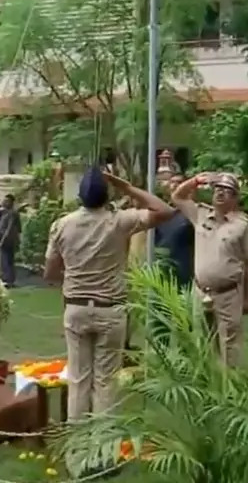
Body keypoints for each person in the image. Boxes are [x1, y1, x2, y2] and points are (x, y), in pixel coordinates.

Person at [45, 168, 171, 422]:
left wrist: (73, 278)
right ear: (107, 195)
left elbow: (50, 271)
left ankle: (77, 453)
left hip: (76, 307)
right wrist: (125, 186)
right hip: (110, 309)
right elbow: (164, 210)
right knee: (105, 382)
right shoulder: (120, 221)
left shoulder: (62, 225)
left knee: (78, 380)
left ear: (80, 196)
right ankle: (103, 451)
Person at [171, 172, 248, 368]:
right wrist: (195, 181)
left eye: (226, 191)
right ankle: (207, 391)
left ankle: (230, 392)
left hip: (228, 294)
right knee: (203, 345)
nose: (220, 193)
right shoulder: (200, 214)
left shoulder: (241, 226)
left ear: (235, 198)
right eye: (217, 189)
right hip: (201, 292)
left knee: (229, 348)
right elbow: (177, 197)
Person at [153, 174, 194, 288]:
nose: (175, 185)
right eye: (172, 182)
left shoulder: (191, 214)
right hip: (161, 270)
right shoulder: (162, 214)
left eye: (179, 182)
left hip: (184, 269)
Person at [0, 194, 22, 287]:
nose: (4, 202)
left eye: (6, 201)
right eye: (4, 201)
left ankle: (8, 280)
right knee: (7, 260)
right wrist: (0, 205)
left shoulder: (12, 213)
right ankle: (9, 280)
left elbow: (9, 228)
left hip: (8, 240)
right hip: (4, 238)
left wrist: (2, 241)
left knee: (6, 260)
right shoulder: (5, 211)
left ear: (11, 203)